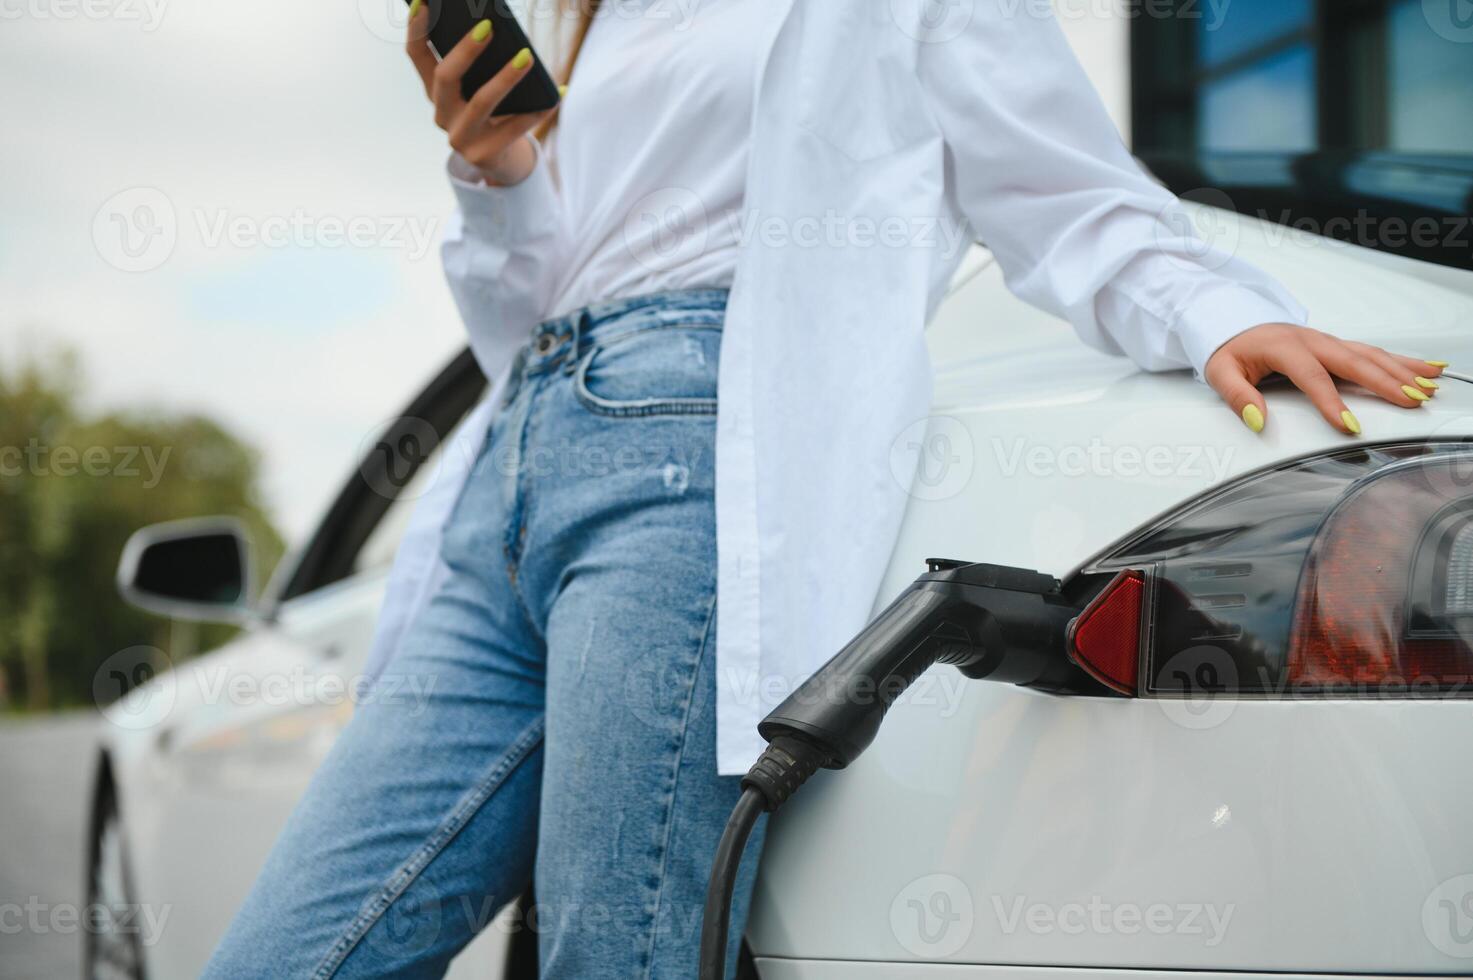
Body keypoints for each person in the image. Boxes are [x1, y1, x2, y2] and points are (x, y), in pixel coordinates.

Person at [206, 2, 1445, 977]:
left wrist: (1230, 315)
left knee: (617, 954)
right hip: (511, 468)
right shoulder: (578, 16)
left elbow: (1070, 198)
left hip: (688, 460)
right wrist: (498, 174)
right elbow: (520, 315)